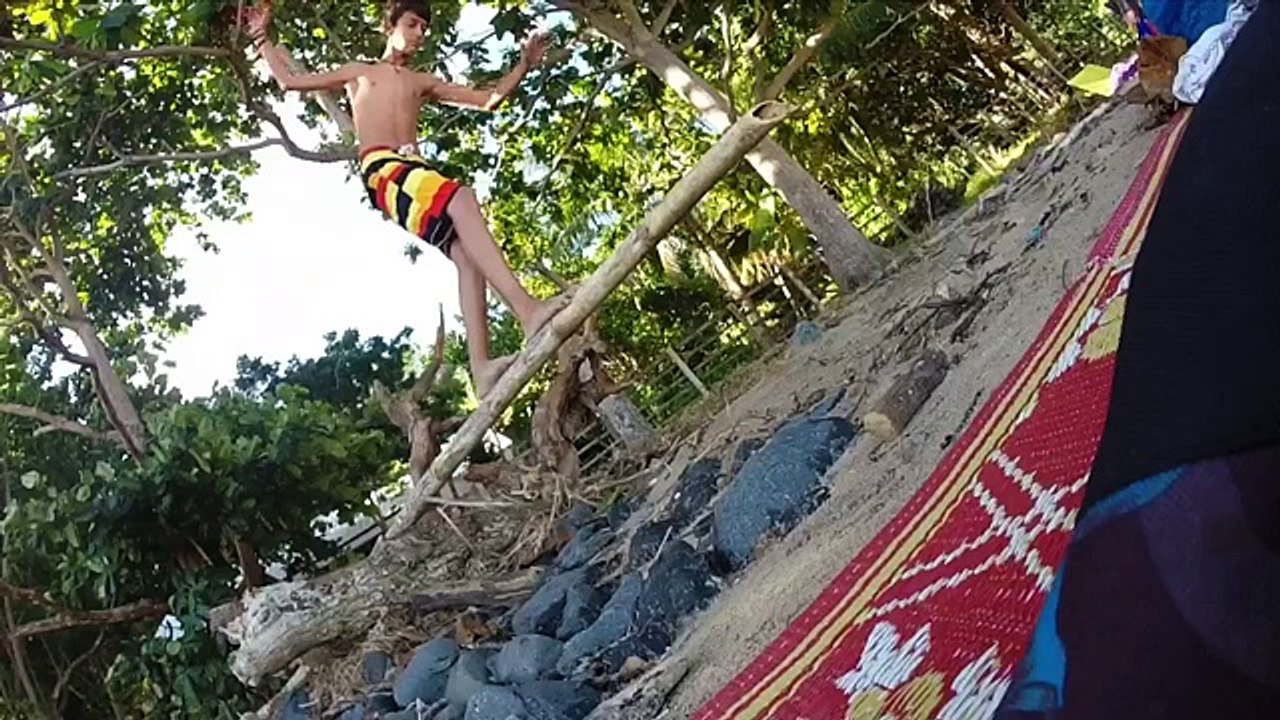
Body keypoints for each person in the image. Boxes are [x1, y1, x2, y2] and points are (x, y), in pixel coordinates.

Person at [243, 0, 567, 398]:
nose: (419, 34)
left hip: (413, 172)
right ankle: (528, 310)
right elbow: (290, 81)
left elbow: (487, 100)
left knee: (465, 254)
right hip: (383, 170)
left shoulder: (420, 82)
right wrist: (260, 37)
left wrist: (524, 65)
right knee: (462, 199)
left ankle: (481, 369)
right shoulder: (360, 72)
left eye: (424, 29)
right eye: (412, 24)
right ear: (390, 25)